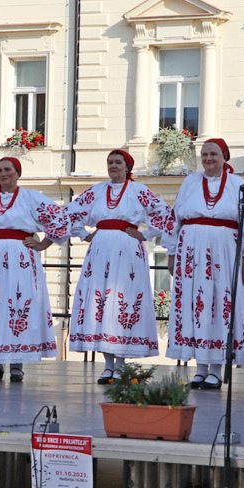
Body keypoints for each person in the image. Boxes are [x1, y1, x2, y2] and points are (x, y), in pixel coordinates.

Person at [64, 149, 175, 383]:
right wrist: (84, 235)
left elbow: (165, 214)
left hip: (128, 249)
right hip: (100, 248)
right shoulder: (96, 191)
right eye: (110, 162)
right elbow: (69, 214)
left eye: (118, 162)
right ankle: (107, 365)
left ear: (127, 167)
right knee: (102, 303)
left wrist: (146, 235)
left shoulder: (139, 190)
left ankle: (121, 364)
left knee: (123, 301)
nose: (113, 166)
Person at [164, 138, 244, 390]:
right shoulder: (190, 182)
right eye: (204, 154)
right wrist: (172, 252)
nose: (208, 158)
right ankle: (199, 368)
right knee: (196, 304)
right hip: (191, 252)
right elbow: (175, 215)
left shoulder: (237, 184)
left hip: (225, 252)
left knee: (221, 304)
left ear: (224, 157)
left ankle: (216, 368)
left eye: (213, 154)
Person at [0, 157, 69, 382]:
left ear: (17, 173)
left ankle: (17, 364)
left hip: (19, 258)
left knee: (16, 305)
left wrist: (42, 244)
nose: (3, 174)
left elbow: (60, 219)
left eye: (7, 169)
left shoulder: (31, 197)